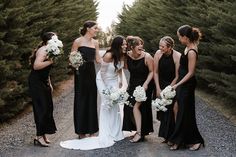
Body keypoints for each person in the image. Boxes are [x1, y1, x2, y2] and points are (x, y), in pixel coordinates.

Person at [60, 35, 128, 150]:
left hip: (114, 80)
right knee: (107, 103)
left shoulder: (122, 55)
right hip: (103, 81)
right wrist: (108, 89)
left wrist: (120, 80)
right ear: (118, 45)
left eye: (126, 44)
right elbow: (102, 73)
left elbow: (120, 68)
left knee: (115, 104)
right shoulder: (109, 55)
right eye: (123, 44)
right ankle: (105, 133)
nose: (125, 46)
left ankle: (115, 132)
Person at [169, 25, 205, 150]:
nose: (179, 39)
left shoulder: (192, 51)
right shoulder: (187, 47)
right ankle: (181, 138)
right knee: (177, 108)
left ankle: (195, 140)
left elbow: (191, 73)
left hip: (187, 84)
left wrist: (177, 84)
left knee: (185, 112)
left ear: (185, 37)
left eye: (179, 37)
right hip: (182, 83)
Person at [71, 21, 101, 139]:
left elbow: (98, 59)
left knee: (92, 99)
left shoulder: (96, 42)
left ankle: (92, 130)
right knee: (81, 100)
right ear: (88, 29)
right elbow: (71, 57)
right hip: (80, 73)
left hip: (91, 72)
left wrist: (112, 60)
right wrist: (76, 62)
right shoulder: (78, 41)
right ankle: (81, 131)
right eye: (95, 28)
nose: (97, 30)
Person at [28, 32, 57, 147]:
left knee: (48, 107)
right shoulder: (44, 50)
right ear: (49, 40)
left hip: (44, 81)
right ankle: (39, 137)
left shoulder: (50, 49)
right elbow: (36, 66)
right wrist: (50, 61)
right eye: (55, 38)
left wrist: (49, 83)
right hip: (36, 82)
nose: (57, 39)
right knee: (42, 108)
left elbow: (46, 70)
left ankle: (42, 135)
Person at [122, 36, 154, 142]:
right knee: (128, 107)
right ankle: (138, 130)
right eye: (138, 44)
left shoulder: (147, 57)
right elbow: (125, 67)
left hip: (145, 85)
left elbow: (152, 72)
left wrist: (145, 84)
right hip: (132, 84)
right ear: (132, 47)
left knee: (136, 107)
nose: (141, 46)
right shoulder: (127, 56)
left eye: (141, 44)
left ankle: (140, 133)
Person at [153, 36, 181, 145]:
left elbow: (177, 76)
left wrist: (168, 89)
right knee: (162, 111)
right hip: (160, 84)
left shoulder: (177, 56)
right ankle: (166, 136)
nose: (160, 48)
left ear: (169, 47)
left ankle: (172, 137)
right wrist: (158, 88)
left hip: (172, 85)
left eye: (163, 46)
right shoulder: (158, 54)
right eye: (159, 46)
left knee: (170, 110)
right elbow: (155, 72)